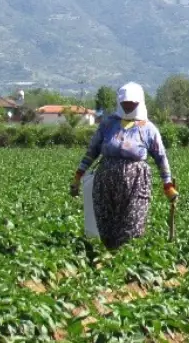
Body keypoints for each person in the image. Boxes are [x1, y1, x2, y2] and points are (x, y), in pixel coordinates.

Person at [71, 82, 177, 250]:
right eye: (125, 103)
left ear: (139, 103)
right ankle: (110, 258)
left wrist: (168, 185)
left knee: (133, 223)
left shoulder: (148, 128)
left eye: (132, 103)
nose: (128, 106)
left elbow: (161, 158)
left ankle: (125, 259)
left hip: (136, 183)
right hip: (105, 183)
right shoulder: (108, 124)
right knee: (106, 223)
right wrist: (78, 176)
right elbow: (91, 152)